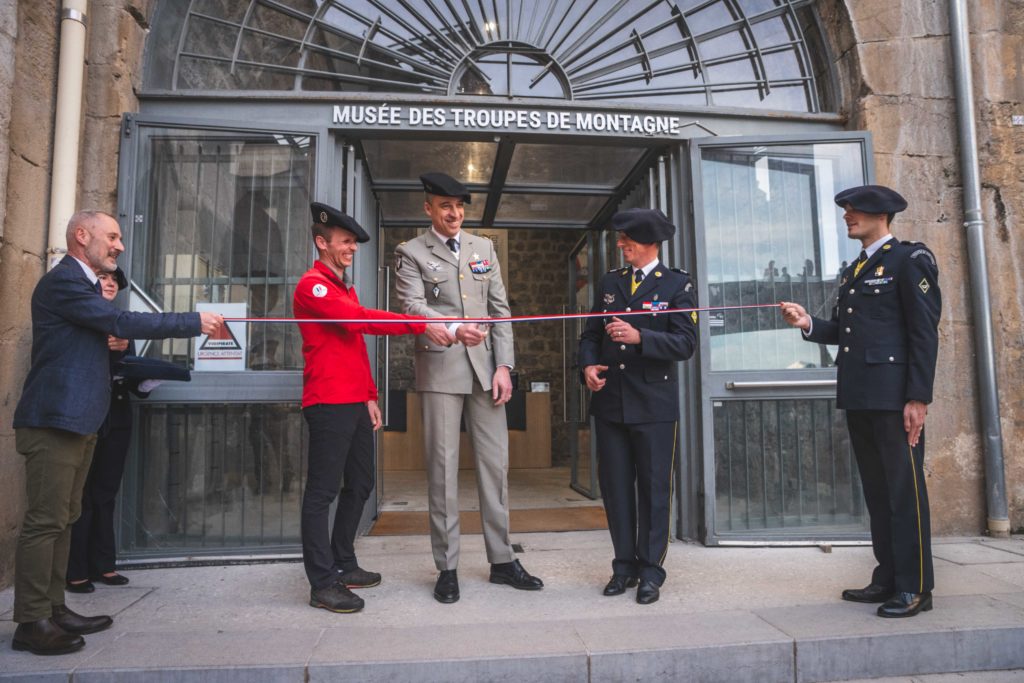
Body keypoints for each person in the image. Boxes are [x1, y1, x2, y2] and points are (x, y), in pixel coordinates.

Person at [11, 210, 223, 656]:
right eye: (112, 236)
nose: (119, 245)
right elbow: (121, 323)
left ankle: (54, 607)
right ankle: (32, 621)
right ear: (81, 235)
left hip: (80, 419)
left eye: (120, 238)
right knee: (45, 522)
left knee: (65, 517)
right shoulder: (64, 280)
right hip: (55, 419)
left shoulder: (84, 286)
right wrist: (192, 321)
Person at [780, 184, 941, 618]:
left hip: (894, 400)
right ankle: (888, 577)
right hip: (861, 396)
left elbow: (924, 334)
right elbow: (848, 334)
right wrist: (808, 323)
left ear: (881, 214)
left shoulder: (910, 261)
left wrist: (917, 398)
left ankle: (916, 587)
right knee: (878, 492)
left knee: (904, 493)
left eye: (855, 209)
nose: (847, 214)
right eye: (847, 209)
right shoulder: (857, 269)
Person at [293, 202, 455, 614]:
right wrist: (421, 323)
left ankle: (343, 562)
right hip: (328, 402)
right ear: (322, 242)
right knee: (322, 493)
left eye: (353, 243)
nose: (352, 248)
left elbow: (354, 349)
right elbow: (359, 321)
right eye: (345, 242)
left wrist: (370, 396)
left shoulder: (343, 286)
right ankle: (322, 582)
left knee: (361, 484)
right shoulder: (314, 286)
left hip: (352, 401)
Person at [394, 172, 543, 604]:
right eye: (445, 206)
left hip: (486, 373)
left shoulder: (484, 248)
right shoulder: (410, 252)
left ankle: (502, 561)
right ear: (429, 209)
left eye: (459, 206)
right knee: (442, 472)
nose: (454, 213)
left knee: (495, 469)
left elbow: (500, 310)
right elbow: (412, 305)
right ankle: (448, 567)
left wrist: (506, 367)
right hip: (441, 372)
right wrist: (456, 328)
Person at [578, 208, 698, 605]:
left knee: (653, 489)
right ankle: (623, 567)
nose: (620, 244)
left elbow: (685, 343)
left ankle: (651, 571)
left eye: (627, 238)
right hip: (611, 402)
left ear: (648, 241)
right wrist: (588, 366)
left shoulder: (677, 284)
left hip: (654, 405)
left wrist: (640, 335)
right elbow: (591, 333)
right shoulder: (611, 282)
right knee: (615, 490)